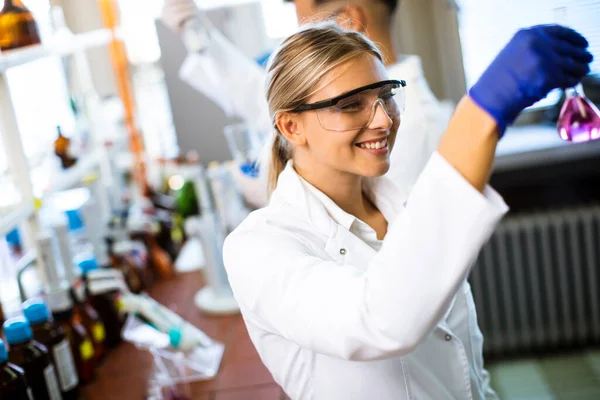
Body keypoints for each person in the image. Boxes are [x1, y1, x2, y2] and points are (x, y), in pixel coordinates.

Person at [222, 22, 592, 399]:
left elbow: (466, 367)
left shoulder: (403, 206)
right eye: (351, 105)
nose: (383, 119)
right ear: (290, 125)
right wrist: (479, 115)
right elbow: (378, 321)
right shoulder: (256, 249)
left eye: (385, 95)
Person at [161, 0, 453, 208]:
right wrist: (201, 38)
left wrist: (273, 195)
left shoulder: (412, 126)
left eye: (308, 29)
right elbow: (271, 102)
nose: (382, 119)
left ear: (346, 23)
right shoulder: (383, 107)